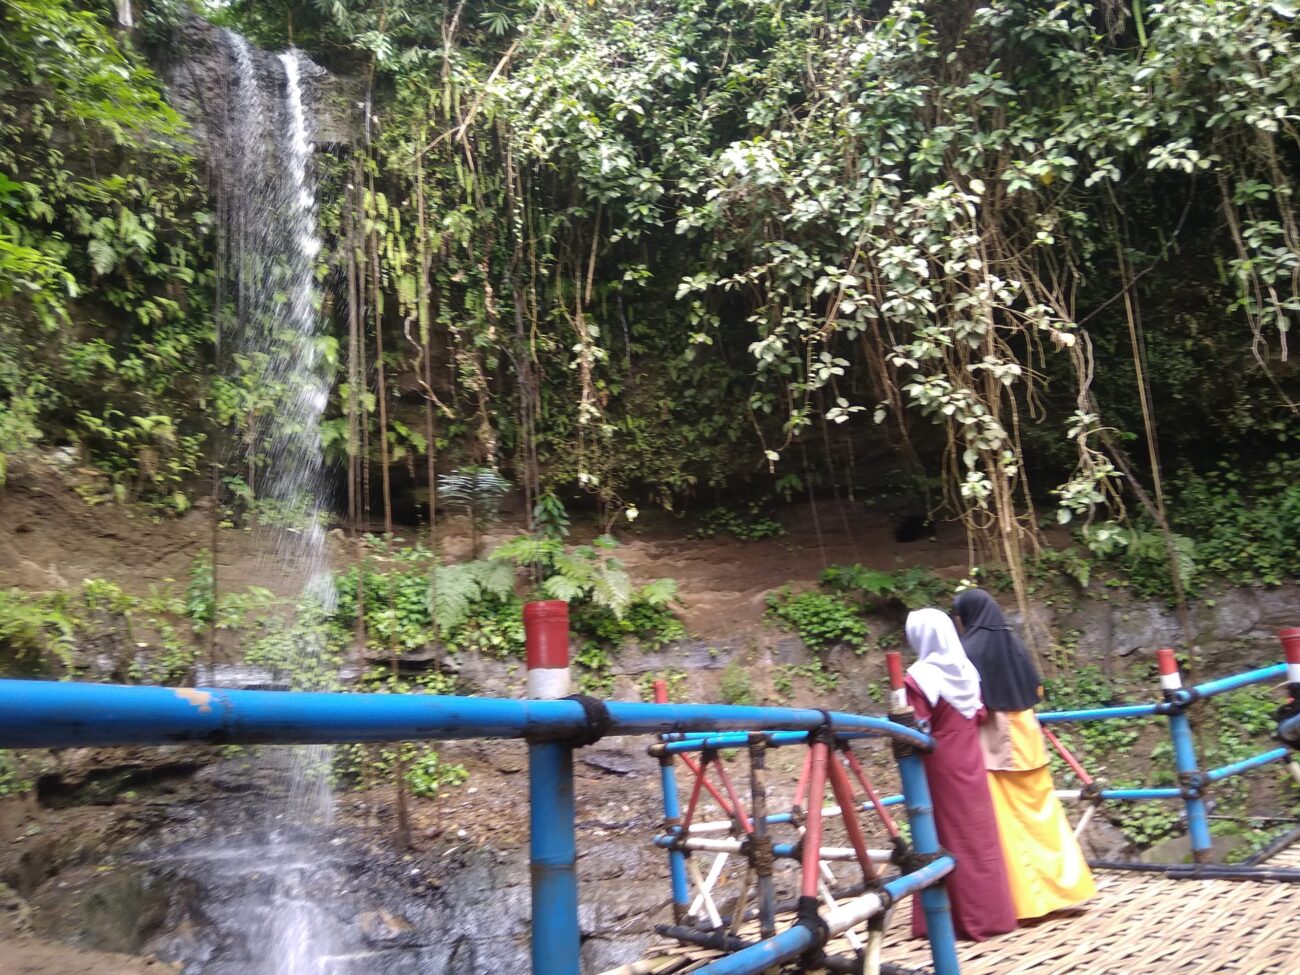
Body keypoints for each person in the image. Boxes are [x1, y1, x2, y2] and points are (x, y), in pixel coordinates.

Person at [953, 588, 1097, 920]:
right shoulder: (1013, 643)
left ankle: (1027, 903)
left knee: (1008, 821)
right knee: (1043, 815)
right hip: (1027, 734)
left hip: (996, 740)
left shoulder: (967, 650)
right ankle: (1066, 890)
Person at [903, 608, 1017, 941]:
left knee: (942, 833)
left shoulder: (920, 676)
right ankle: (991, 914)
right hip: (970, 757)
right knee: (977, 835)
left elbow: (914, 724)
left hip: (940, 762)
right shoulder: (966, 669)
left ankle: (951, 920)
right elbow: (979, 713)